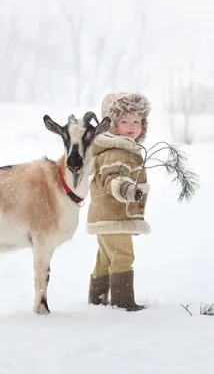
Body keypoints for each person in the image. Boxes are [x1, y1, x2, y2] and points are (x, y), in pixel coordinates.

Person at [86, 92, 151, 311]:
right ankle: (123, 302)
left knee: (106, 258)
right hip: (114, 215)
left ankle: (98, 298)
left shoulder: (121, 149)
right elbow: (114, 179)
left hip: (108, 216)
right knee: (123, 256)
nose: (132, 126)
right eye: (124, 121)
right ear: (112, 125)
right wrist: (127, 191)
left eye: (137, 121)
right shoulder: (115, 152)